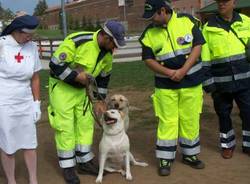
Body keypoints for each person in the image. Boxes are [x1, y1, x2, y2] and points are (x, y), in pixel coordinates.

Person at [48, 20, 126, 184]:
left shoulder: (108, 53)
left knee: (85, 125)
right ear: (105, 36)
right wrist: (76, 76)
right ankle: (68, 167)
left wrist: (99, 100)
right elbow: (55, 64)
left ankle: (84, 161)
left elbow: (104, 79)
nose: (115, 48)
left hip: (83, 92)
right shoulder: (78, 41)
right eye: (113, 43)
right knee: (66, 128)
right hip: (62, 91)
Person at [139, 0, 206, 176]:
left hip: (192, 82)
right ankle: (164, 158)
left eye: (153, 16)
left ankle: (190, 155)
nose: (151, 20)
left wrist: (183, 70)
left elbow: (197, 46)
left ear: (163, 10)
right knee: (167, 121)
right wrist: (169, 72)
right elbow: (148, 59)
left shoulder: (187, 21)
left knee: (190, 119)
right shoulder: (148, 33)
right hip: (165, 86)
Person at [202, 0, 250, 159]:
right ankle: (227, 145)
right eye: (219, 1)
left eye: (225, 1)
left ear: (234, 3)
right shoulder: (208, 28)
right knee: (223, 114)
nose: (222, 4)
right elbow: (204, 60)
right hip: (220, 83)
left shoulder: (246, 22)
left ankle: (248, 144)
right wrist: (210, 85)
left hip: (246, 81)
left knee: (248, 113)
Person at [0, 14, 42, 184]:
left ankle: (33, 179)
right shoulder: (2, 44)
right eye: (27, 34)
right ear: (17, 31)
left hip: (25, 101)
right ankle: (11, 180)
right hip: (4, 101)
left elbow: (35, 78)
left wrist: (36, 104)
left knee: (29, 143)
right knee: (8, 144)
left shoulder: (31, 47)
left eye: (32, 35)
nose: (29, 38)